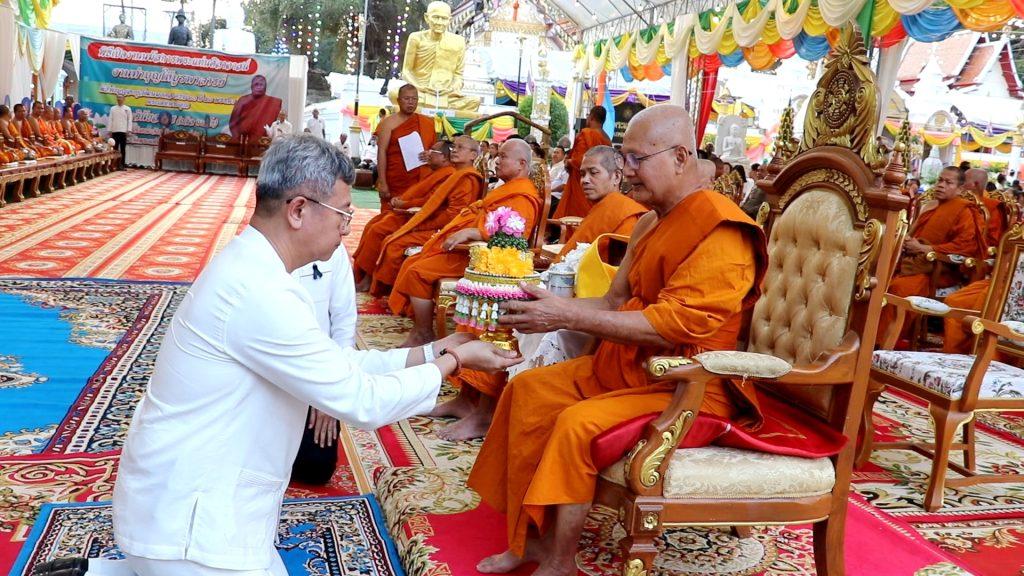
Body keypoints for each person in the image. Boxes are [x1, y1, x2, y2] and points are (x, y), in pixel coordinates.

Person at [32, 135, 521, 576]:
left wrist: (437, 350)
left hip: (195, 499)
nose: (347, 229)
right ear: (298, 210)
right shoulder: (259, 291)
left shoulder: (258, 269)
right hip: (189, 522)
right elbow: (360, 400)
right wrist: (454, 363)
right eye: (343, 214)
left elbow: (337, 365)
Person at [467, 105, 767, 576]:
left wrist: (563, 314)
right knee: (527, 388)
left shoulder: (722, 230)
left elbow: (675, 324)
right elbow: (613, 301)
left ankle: (561, 561)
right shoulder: (650, 222)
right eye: (624, 158)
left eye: (636, 159)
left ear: (681, 157)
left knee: (576, 424)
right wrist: (543, 306)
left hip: (687, 386)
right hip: (629, 366)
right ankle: (531, 538)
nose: (626, 171)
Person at [437, 145, 649, 441]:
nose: (585, 180)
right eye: (582, 174)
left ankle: (485, 413)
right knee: (494, 303)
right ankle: (469, 399)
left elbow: (611, 278)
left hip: (584, 302)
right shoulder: (604, 208)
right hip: (565, 289)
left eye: (594, 173)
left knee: (509, 315)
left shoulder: (627, 214)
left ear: (616, 177)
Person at [388, 139, 541, 347]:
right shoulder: (509, 188)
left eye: (503, 157)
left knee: (417, 272)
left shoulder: (523, 195)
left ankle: (423, 332)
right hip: (470, 250)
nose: (496, 161)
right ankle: (421, 328)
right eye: (498, 156)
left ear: (521, 164)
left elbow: (515, 237)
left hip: (483, 259)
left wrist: (473, 232)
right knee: (413, 262)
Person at [876, 166, 987, 346]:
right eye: (940, 180)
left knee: (899, 288)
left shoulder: (964, 211)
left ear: (960, 189)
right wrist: (907, 241)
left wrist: (926, 248)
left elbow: (966, 247)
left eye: (948, 182)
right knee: (878, 279)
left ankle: (883, 341)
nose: (941, 185)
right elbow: (913, 234)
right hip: (912, 263)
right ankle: (867, 332)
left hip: (939, 271)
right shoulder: (929, 206)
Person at [370, 136, 485, 296]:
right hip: (438, 225)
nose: (454, 150)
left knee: (395, 244)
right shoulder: (458, 175)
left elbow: (453, 216)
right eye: (454, 147)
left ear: (473, 155)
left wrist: (422, 226)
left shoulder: (467, 178)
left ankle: (390, 292)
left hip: (448, 231)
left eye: (460, 147)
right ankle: (389, 291)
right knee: (391, 236)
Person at [290, 244, 356, 485]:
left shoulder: (334, 250)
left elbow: (344, 324)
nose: (344, 229)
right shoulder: (263, 251)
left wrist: (329, 395)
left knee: (315, 470)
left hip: (316, 376)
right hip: (268, 376)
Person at [352, 139, 457, 291]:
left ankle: (368, 280)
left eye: (432, 151)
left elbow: (431, 201)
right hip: (410, 212)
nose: (427, 153)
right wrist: (402, 201)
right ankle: (362, 274)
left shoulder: (449, 175)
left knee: (378, 230)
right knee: (373, 224)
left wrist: (404, 204)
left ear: (444, 157)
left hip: (421, 217)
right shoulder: (437, 172)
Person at [941, 168, 1010, 354]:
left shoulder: (992, 208)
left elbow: (994, 244)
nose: (962, 186)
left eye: (964, 182)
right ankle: (954, 355)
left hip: (1004, 284)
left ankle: (981, 357)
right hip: (999, 279)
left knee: (986, 308)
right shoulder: (951, 205)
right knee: (955, 301)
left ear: (975, 185)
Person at [400, 1, 478, 111]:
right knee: (394, 94)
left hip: (446, 95)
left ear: (449, 20)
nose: (439, 22)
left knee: (474, 101)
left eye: (444, 18)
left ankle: (434, 106)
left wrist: (452, 89)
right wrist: (419, 87)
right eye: (436, 17)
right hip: (420, 93)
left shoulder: (459, 42)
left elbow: (458, 75)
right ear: (427, 18)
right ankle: (436, 106)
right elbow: (406, 71)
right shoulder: (416, 38)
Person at [375, 84, 436, 210]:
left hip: (420, 179)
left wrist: (430, 154)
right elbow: (382, 152)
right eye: (407, 98)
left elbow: (434, 149)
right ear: (398, 100)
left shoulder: (427, 122)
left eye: (414, 99)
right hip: (395, 179)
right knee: (390, 216)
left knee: (415, 213)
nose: (411, 102)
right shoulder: (388, 123)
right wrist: (382, 182)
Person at [552, 106, 611, 220]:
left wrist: (569, 162)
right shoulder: (607, 139)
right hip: (599, 184)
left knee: (575, 217)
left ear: (591, 117)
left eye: (588, 116)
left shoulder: (586, 134)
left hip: (581, 182)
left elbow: (580, 161)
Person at [229, 75, 283, 142]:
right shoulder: (243, 100)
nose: (258, 87)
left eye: (261, 85)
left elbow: (279, 125)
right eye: (256, 84)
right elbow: (233, 123)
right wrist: (237, 138)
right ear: (251, 86)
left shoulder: (275, 102)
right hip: (242, 141)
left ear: (265, 87)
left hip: (265, 142)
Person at [109, 95, 132, 169]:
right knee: (115, 149)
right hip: (115, 131)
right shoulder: (113, 108)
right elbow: (110, 119)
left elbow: (129, 120)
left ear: (124, 99)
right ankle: (113, 165)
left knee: (122, 149)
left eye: (120, 98)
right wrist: (110, 130)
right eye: (118, 98)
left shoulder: (127, 109)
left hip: (123, 131)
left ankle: (122, 165)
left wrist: (129, 130)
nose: (119, 99)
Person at [547, 146, 568, 217]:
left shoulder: (564, 167)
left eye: (557, 153)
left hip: (555, 197)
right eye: (554, 152)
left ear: (563, 155)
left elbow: (564, 186)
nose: (555, 155)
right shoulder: (553, 166)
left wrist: (550, 190)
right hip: (549, 194)